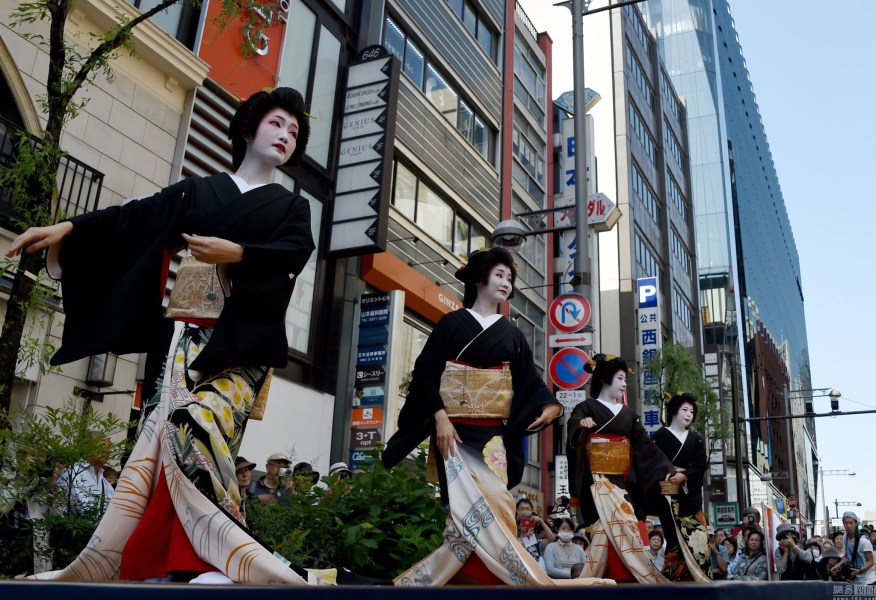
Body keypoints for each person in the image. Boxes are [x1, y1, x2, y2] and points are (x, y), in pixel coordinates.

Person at [9, 87, 316, 584]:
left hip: (242, 342)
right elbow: (135, 218)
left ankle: (217, 556)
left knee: (202, 424)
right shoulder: (199, 192)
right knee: (164, 440)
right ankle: (163, 559)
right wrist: (68, 227)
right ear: (247, 129)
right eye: (277, 123)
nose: (286, 135)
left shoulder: (290, 207)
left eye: (294, 132)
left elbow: (294, 253)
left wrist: (237, 253)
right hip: (183, 336)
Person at [382, 247, 610, 587]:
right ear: (479, 279)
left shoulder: (512, 333)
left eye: (510, 278)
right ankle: (477, 576)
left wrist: (549, 404)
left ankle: (461, 577)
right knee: (462, 509)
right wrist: (440, 418)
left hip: (492, 436)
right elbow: (425, 373)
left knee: (500, 502)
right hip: (453, 432)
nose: (506, 283)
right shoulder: (450, 324)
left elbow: (528, 383)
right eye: (499, 275)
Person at [567, 353, 675, 583]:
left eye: (625, 379)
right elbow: (572, 430)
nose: (624, 384)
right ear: (605, 378)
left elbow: (646, 448)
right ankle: (606, 577)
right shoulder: (586, 407)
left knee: (628, 524)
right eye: (620, 378)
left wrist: (667, 469)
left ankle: (625, 578)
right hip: (595, 480)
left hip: (621, 481)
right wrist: (580, 427)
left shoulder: (629, 415)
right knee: (602, 529)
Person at [651, 392, 711, 581]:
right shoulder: (661, 435)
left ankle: (700, 579)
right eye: (684, 409)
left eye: (691, 411)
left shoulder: (696, 438)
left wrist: (684, 475)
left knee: (699, 538)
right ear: (674, 411)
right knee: (674, 539)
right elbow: (654, 462)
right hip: (668, 490)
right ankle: (674, 581)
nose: (688, 414)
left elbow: (701, 465)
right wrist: (671, 475)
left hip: (690, 493)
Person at [831, 512, 876, 584]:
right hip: (854, 581)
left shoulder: (863, 541)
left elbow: (871, 562)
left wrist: (859, 570)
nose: (848, 526)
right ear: (843, 524)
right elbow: (847, 557)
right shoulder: (845, 537)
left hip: (867, 581)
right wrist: (837, 565)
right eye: (846, 523)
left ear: (856, 524)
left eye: (851, 523)